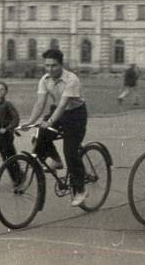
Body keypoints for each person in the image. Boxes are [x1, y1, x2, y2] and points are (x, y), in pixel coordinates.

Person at [20, 49, 89, 206]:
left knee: (70, 151)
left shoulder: (72, 79)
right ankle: (56, 161)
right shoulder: (45, 79)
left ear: (61, 65)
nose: (50, 69)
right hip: (58, 112)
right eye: (47, 66)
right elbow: (40, 103)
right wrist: (29, 122)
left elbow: (63, 105)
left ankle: (81, 190)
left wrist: (49, 122)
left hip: (76, 115)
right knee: (39, 136)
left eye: (54, 65)